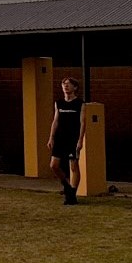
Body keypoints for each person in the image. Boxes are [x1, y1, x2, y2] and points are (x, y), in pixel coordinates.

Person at [46, 77, 85, 206]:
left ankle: (72, 193)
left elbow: (82, 122)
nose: (65, 86)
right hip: (60, 138)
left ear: (75, 87)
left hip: (72, 138)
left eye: (68, 84)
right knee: (54, 165)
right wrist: (51, 137)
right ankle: (66, 186)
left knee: (73, 165)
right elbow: (55, 121)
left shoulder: (80, 103)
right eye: (63, 84)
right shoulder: (59, 103)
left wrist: (80, 140)